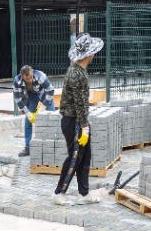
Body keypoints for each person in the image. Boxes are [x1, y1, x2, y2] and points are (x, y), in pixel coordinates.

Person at [54, 33, 102, 203]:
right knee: (75, 158)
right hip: (73, 121)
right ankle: (59, 193)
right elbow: (80, 103)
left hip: (78, 120)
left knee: (84, 157)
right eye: (93, 52)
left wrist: (84, 124)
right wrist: (84, 126)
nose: (94, 55)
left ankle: (84, 193)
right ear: (88, 54)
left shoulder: (79, 70)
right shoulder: (77, 73)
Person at [13, 65, 55, 157]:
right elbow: (17, 99)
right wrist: (27, 113)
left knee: (52, 119)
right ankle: (28, 148)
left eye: (31, 78)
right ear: (22, 76)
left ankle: (52, 146)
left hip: (45, 95)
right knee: (28, 121)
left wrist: (43, 107)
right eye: (27, 79)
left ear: (32, 73)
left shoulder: (40, 76)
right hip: (32, 96)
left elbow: (51, 91)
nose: (29, 80)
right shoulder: (17, 81)